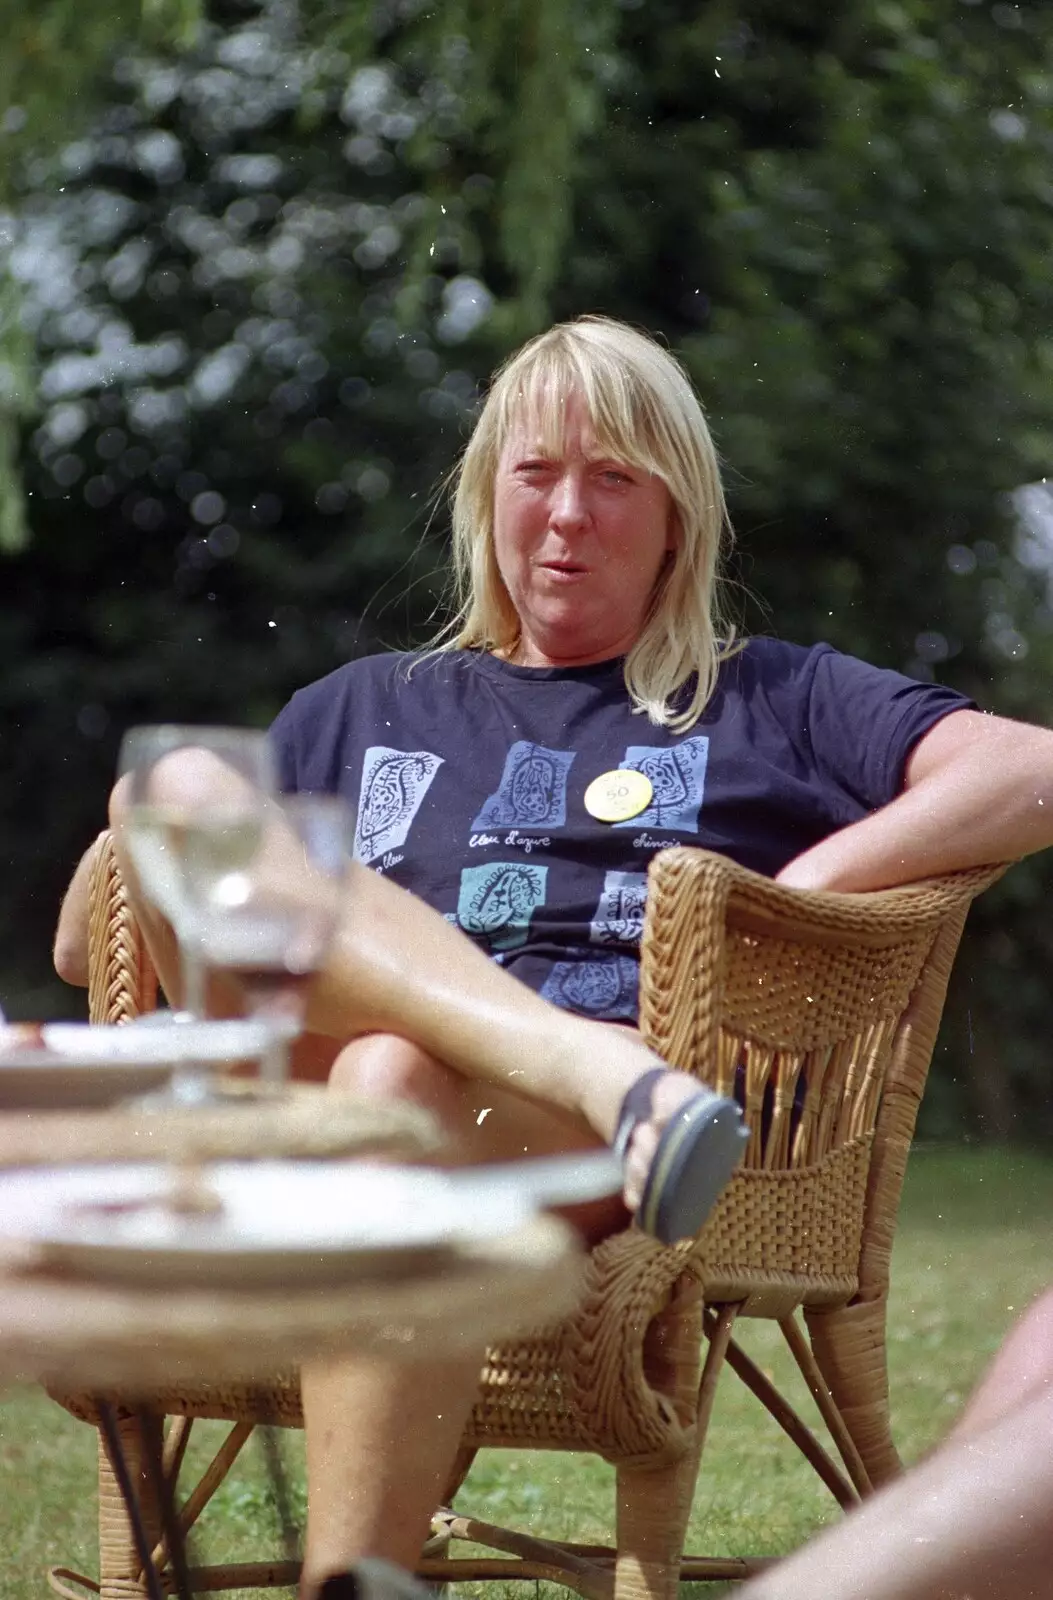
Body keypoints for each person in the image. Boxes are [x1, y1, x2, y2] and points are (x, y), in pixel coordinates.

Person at [53, 315, 1053, 1599]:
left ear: (679, 515)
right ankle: (581, 1063)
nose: (569, 514)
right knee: (194, 787)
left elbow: (1028, 769)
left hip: (604, 1146)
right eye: (536, 474)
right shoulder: (362, 707)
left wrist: (804, 883)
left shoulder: (772, 697)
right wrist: (155, 822)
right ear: (485, 500)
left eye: (615, 478)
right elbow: (94, 946)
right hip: (393, 1101)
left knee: (393, 1083)